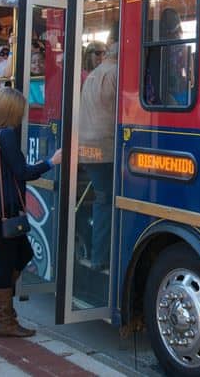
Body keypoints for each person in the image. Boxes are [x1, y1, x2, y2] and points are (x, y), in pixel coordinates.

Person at [0, 87, 62, 337]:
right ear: (12, 111)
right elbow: (22, 172)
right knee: (7, 262)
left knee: (22, 252)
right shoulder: (7, 136)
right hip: (4, 208)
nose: (23, 115)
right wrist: (50, 162)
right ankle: (5, 320)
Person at [79, 25, 118, 271]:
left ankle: (97, 255)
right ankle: (100, 257)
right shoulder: (116, 74)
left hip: (87, 147)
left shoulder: (95, 74)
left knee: (102, 199)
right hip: (107, 148)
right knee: (106, 201)